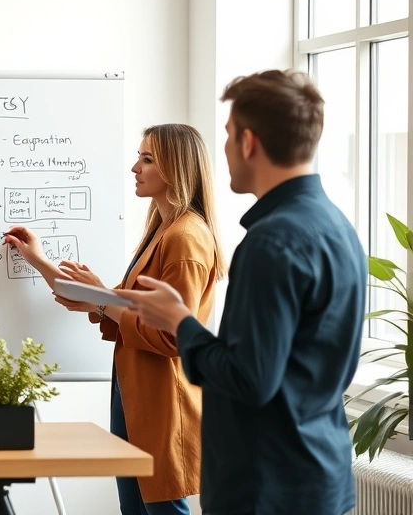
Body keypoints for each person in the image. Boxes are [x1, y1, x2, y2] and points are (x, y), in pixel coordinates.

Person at [116, 70, 365, 515]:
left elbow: (249, 378)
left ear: (248, 142)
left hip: (267, 486)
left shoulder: (272, 241)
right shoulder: (337, 227)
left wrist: (180, 323)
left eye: (229, 135)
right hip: (320, 474)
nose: (225, 150)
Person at [5, 124, 225, 515]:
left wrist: (103, 303)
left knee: (162, 509)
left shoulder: (185, 237)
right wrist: (38, 259)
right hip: (135, 391)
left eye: (147, 159)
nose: (134, 168)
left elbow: (175, 335)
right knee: (137, 509)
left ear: (176, 167)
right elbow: (114, 304)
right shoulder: (162, 229)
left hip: (161, 397)